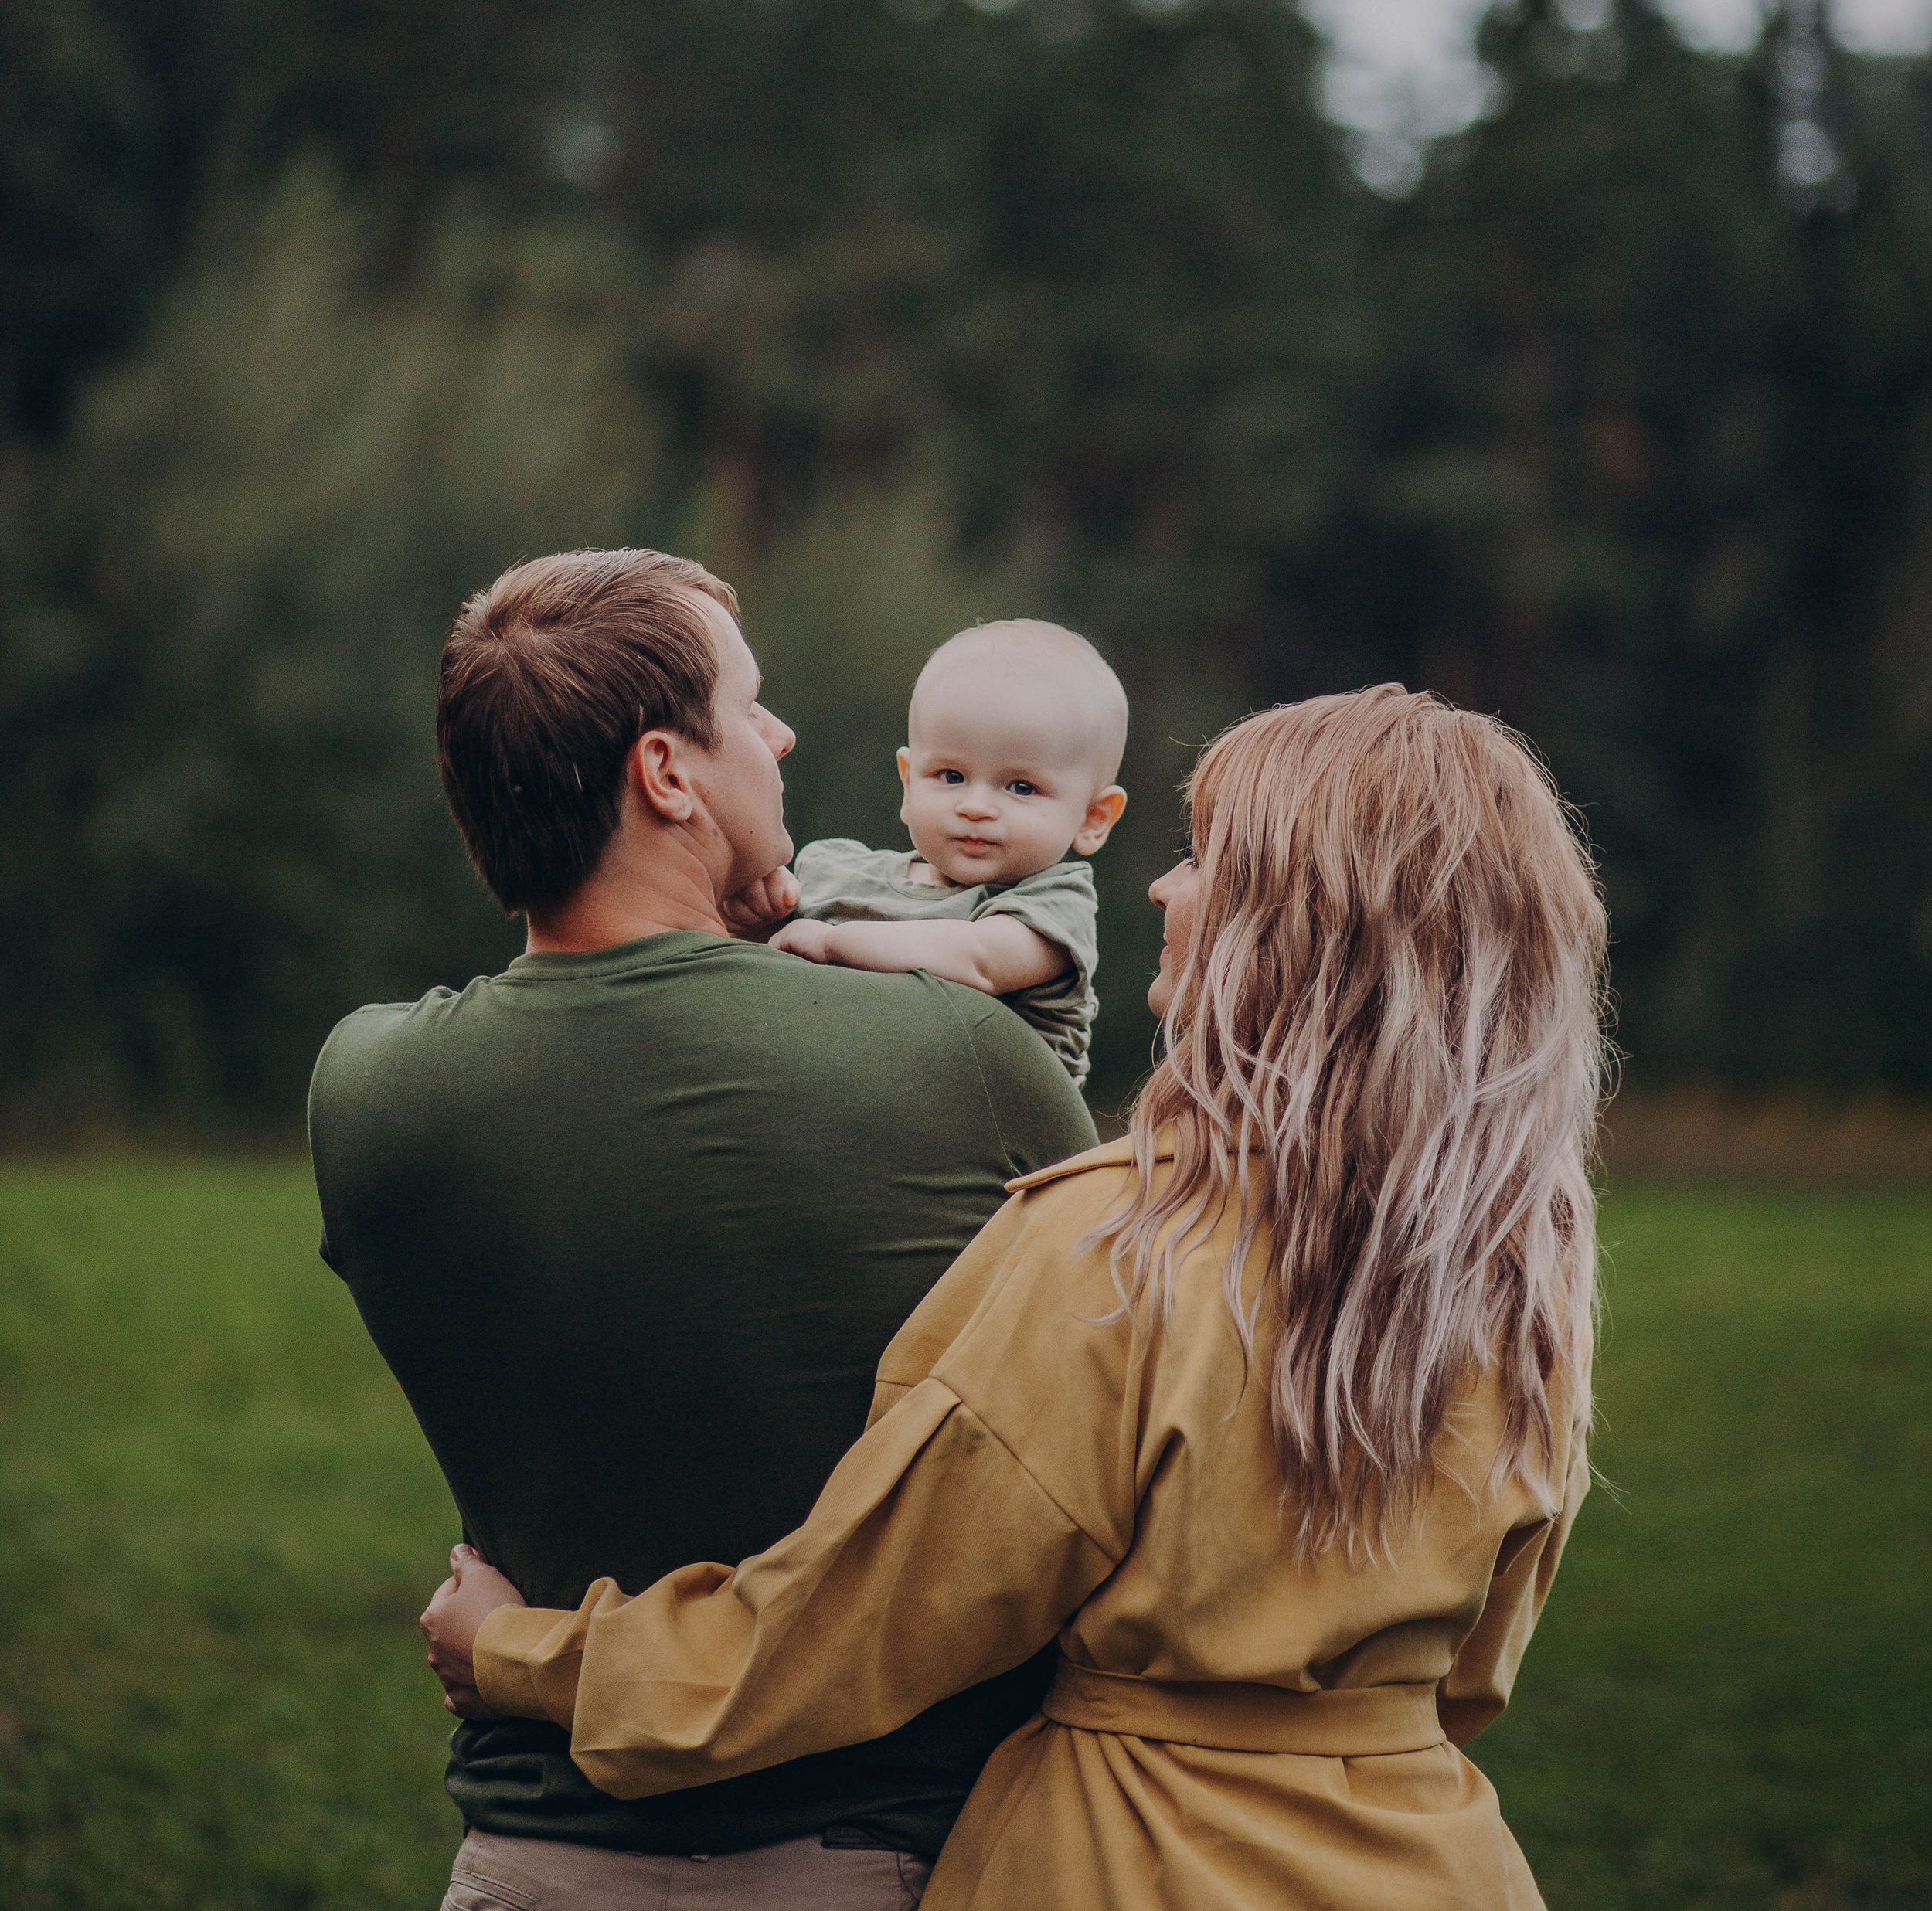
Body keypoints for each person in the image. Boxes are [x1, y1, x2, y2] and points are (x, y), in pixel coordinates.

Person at [423, 684, 1607, 1911]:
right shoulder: (1524, 1273)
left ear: (1307, 927)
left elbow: (848, 1630)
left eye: (1208, 858)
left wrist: (522, 1654)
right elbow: (1468, 1681)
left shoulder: (1118, 1244)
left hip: (1129, 1864)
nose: (1161, 890)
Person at [310, 547, 1095, 1911]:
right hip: (881, 1858)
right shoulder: (959, 1052)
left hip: (525, 1859)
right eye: (752, 706)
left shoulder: (369, 1089)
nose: (785, 737)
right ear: (668, 775)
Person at [764, 618, 1128, 1086]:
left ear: (1093, 818)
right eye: (951, 776)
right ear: (908, 783)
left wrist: (832, 942)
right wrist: (758, 916)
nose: (975, 807)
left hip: (1010, 1147)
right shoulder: (835, 869)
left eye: (1021, 787)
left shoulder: (1053, 905)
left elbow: (978, 961)